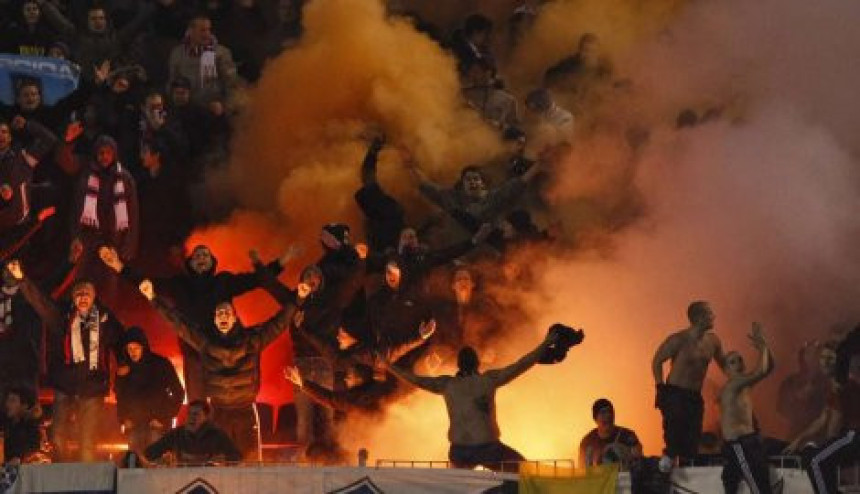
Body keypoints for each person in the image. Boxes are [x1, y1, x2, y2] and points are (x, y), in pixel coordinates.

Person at [139, 271, 301, 461]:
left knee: (247, 462)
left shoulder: (252, 340)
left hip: (245, 410)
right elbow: (179, 324)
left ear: (234, 317)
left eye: (227, 312)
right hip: (219, 412)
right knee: (218, 462)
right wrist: (153, 298)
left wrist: (299, 298)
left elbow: (278, 323)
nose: (223, 316)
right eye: (219, 313)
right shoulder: (205, 341)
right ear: (215, 320)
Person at [100, 243, 290, 401]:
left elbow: (255, 280)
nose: (201, 257)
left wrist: (282, 262)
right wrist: (119, 266)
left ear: (212, 263)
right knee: (197, 402)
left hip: (222, 352)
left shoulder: (223, 282)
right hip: (193, 350)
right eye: (197, 255)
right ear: (190, 262)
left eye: (205, 255)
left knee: (223, 400)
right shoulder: (178, 284)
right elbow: (146, 283)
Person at [384, 325, 581, 472]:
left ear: (458, 366)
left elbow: (415, 379)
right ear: (477, 363)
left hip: (460, 452)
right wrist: (546, 343)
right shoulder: (487, 380)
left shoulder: (447, 385)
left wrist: (389, 366)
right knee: (526, 472)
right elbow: (522, 364)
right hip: (488, 449)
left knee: (455, 485)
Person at [7, 260, 125, 462]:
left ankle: (87, 486)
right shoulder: (63, 317)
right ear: (73, 297)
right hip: (65, 385)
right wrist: (21, 279)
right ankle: (62, 478)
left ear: (94, 296)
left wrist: (124, 362)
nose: (83, 297)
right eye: (79, 293)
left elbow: (122, 340)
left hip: (93, 387)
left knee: (87, 440)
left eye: (87, 293)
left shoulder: (105, 318)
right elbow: (40, 303)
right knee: (57, 436)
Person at [652, 301, 726, 470]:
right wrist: (660, 387)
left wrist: (740, 378)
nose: (713, 317)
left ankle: (687, 469)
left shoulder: (713, 341)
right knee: (674, 429)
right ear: (699, 318)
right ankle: (667, 459)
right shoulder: (678, 339)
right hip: (674, 393)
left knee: (692, 437)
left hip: (694, 396)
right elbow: (657, 361)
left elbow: (724, 364)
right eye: (709, 313)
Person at [785, 346, 860, 493]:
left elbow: (834, 422)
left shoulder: (843, 385)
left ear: (839, 362)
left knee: (815, 461)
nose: (825, 362)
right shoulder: (833, 386)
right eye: (822, 358)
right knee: (818, 459)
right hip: (850, 437)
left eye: (830, 358)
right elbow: (823, 418)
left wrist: (827, 445)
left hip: (854, 436)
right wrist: (799, 439)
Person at [718, 323, 775, 494]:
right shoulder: (733, 385)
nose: (738, 363)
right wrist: (763, 346)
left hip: (749, 442)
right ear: (726, 370)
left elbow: (769, 368)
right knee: (759, 488)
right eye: (732, 361)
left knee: (757, 485)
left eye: (740, 359)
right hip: (739, 444)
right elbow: (761, 371)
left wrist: (766, 347)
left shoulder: (744, 385)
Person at [115, 326, 184, 456]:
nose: (132, 352)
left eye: (136, 348)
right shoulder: (125, 369)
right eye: (129, 349)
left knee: (155, 460)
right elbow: (120, 396)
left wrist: (164, 417)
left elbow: (178, 392)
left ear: (143, 347)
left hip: (157, 425)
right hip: (134, 426)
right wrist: (124, 419)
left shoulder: (161, 364)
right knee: (135, 463)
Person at [167, 14, 239, 108]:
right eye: (202, 30)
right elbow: (172, 82)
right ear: (190, 31)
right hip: (186, 108)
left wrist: (223, 104)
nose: (207, 34)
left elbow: (232, 84)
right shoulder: (177, 54)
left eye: (209, 29)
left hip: (214, 107)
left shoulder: (221, 53)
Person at [142, 400, 241, 466]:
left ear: (206, 417)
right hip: (182, 480)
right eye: (189, 413)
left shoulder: (217, 435)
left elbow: (236, 456)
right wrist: (162, 460)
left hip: (211, 479)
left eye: (196, 414)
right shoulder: (177, 434)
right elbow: (150, 453)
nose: (191, 417)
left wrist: (223, 459)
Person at [578, 398, 643, 469]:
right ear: (595, 418)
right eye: (603, 413)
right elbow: (582, 471)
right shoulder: (587, 442)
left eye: (610, 412)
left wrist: (624, 452)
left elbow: (639, 461)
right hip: (598, 479)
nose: (608, 416)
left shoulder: (628, 436)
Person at [1, 386, 42, 465]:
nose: (7, 404)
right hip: (7, 468)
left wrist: (19, 457)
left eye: (12, 401)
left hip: (23, 470)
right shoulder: (7, 423)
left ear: (24, 406)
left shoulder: (30, 425)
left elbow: (34, 446)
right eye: (8, 400)